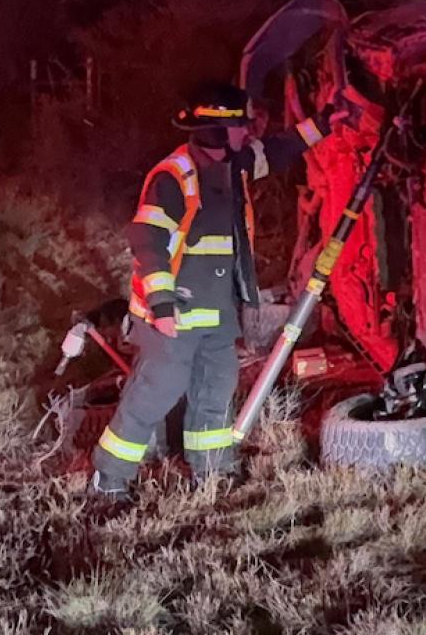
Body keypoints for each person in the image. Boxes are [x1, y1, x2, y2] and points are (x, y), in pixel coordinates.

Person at [89, 81, 354, 499]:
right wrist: (160, 305)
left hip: (217, 313)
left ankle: (211, 471)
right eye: (238, 126)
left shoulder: (234, 165)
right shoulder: (174, 176)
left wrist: (324, 124)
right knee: (153, 396)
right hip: (174, 316)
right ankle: (110, 479)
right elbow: (147, 240)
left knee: (215, 393)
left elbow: (278, 150)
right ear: (214, 129)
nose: (247, 133)